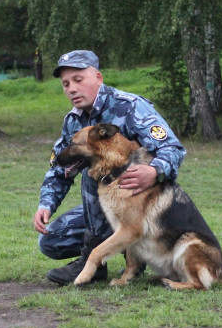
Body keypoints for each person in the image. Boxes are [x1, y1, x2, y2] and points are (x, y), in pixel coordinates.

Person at [33, 50, 186, 285]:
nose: (71, 88)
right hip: (107, 206)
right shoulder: (73, 121)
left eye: (78, 79)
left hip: (142, 203)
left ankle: (98, 257)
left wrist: (154, 171)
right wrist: (46, 203)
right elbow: (60, 168)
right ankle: (113, 253)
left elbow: (172, 148)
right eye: (65, 84)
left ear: (98, 78)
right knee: (51, 241)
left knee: (93, 174)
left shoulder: (130, 106)